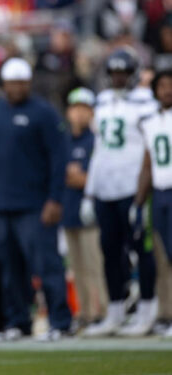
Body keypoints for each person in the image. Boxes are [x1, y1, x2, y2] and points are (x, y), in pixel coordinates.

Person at [0, 57, 72, 341]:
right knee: (9, 269)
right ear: (3, 84)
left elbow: (58, 159)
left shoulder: (44, 113)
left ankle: (60, 321)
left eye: (21, 82)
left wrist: (55, 199)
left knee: (47, 265)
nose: (16, 87)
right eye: (11, 82)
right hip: (1, 206)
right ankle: (18, 322)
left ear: (29, 83)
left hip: (36, 205)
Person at [83, 48, 159, 337]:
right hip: (105, 188)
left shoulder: (145, 103)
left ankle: (147, 310)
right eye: (114, 73)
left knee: (142, 250)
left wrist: (143, 191)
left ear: (133, 74)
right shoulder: (101, 102)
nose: (118, 78)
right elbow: (98, 150)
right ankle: (115, 311)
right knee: (110, 252)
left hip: (133, 187)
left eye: (123, 73)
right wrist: (90, 193)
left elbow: (151, 146)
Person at [61, 88, 109, 331]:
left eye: (84, 109)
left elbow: (96, 176)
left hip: (91, 212)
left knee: (94, 266)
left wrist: (81, 178)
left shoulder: (96, 140)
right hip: (69, 211)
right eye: (75, 108)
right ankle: (85, 312)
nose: (78, 114)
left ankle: (102, 312)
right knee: (76, 268)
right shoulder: (64, 140)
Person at [134, 69, 172, 337]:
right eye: (162, 86)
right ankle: (166, 313)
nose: (167, 90)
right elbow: (147, 164)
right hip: (159, 193)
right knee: (163, 256)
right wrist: (137, 202)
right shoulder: (149, 121)